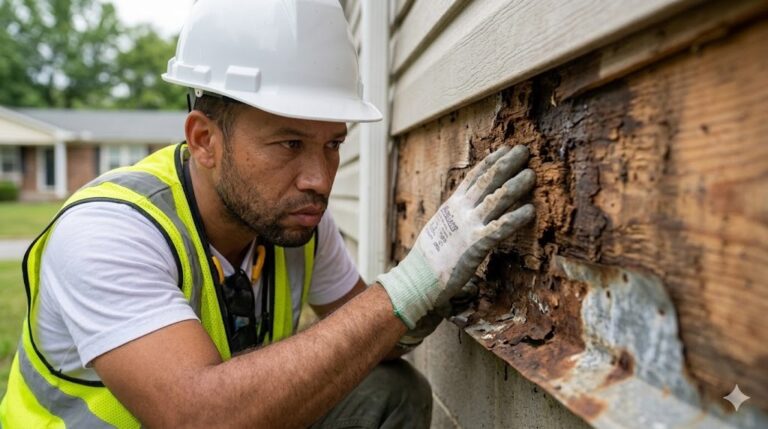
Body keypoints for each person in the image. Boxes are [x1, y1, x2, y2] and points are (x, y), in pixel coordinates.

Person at [0, 0, 536, 427]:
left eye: (332, 144)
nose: (319, 179)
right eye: (288, 143)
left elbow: (373, 341)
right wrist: (411, 284)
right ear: (205, 140)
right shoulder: (107, 232)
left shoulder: (294, 220)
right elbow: (198, 416)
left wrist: (436, 289)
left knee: (387, 393)